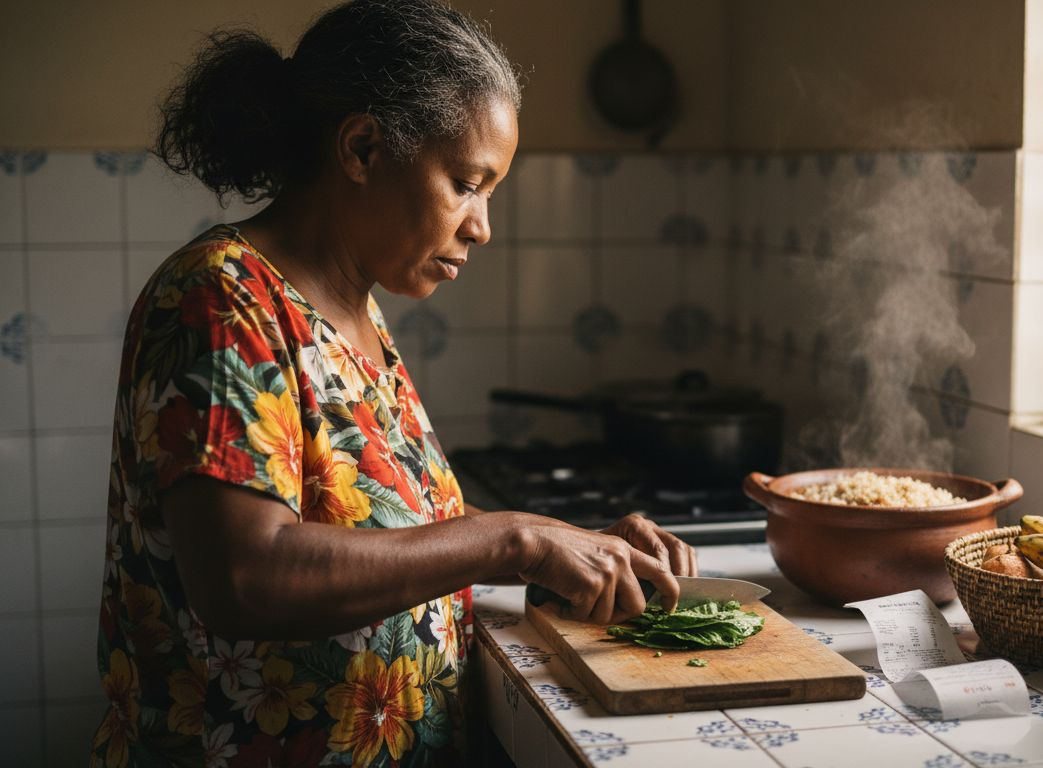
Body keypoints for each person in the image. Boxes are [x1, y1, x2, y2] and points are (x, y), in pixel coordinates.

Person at [93, 1, 696, 765]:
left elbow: (395, 519)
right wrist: (515, 537)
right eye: (466, 183)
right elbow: (245, 577)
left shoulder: (355, 312)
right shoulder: (224, 298)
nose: (482, 226)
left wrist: (566, 547)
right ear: (364, 147)